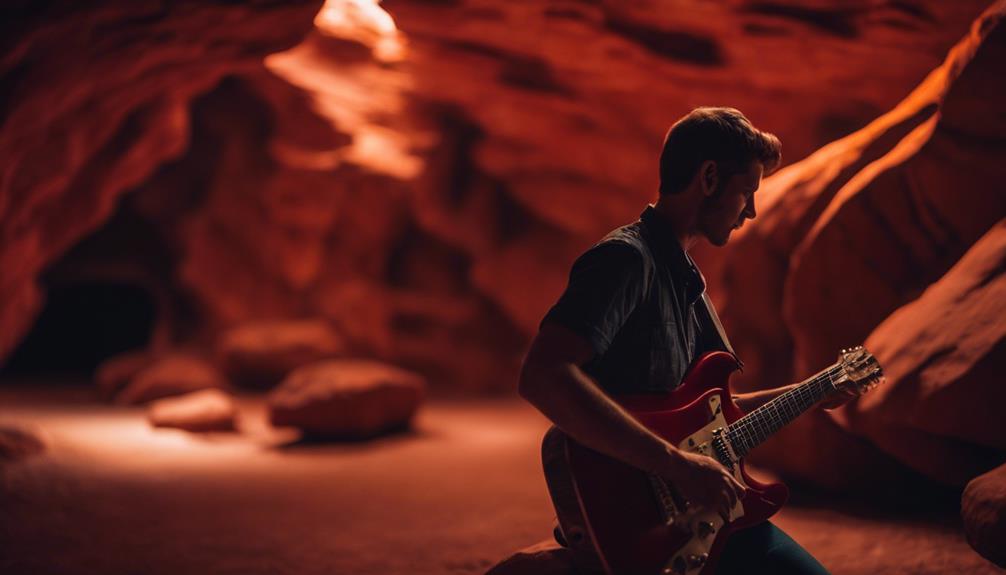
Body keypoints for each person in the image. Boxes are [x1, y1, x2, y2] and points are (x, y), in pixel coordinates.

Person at [518, 107, 841, 574]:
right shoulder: (626, 260)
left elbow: (706, 417)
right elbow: (542, 375)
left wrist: (809, 394)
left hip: (705, 516)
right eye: (746, 192)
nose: (750, 211)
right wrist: (676, 465)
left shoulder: (688, 283)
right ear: (708, 178)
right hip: (639, 519)